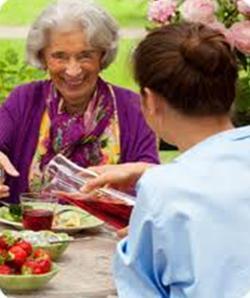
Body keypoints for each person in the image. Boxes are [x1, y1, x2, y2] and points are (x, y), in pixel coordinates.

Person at [81, 23, 250, 297]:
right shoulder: (165, 184)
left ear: (151, 100)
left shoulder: (163, 190)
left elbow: (140, 288)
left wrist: (156, 183)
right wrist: (151, 172)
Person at [0, 0, 159, 203]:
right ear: (43, 57)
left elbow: (150, 180)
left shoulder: (133, 108)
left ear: (102, 56)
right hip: (31, 232)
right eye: (60, 56)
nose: (73, 70)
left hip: (110, 233)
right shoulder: (24, 100)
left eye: (85, 56)